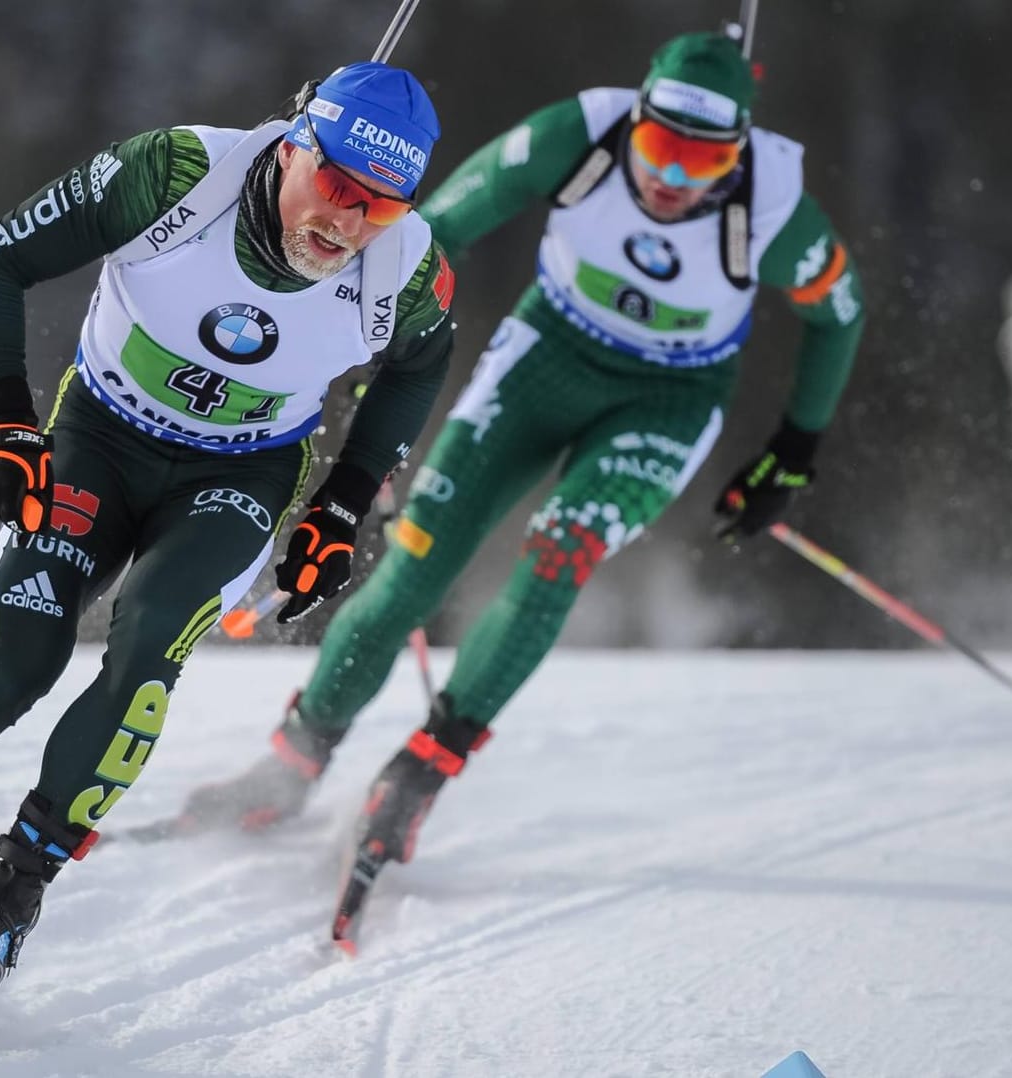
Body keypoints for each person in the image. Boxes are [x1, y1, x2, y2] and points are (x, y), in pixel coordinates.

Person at [0, 61, 456, 1000]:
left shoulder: (406, 271)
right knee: (10, 668)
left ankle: (11, 890)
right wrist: (6, 422)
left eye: (379, 208)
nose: (346, 224)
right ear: (293, 146)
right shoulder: (172, 178)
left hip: (238, 475)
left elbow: (416, 368)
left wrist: (340, 502)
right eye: (333, 187)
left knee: (152, 633)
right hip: (98, 441)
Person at [182, 32, 867, 888]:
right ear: (635, 123)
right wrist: (372, 348)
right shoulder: (578, 134)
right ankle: (293, 762)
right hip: (546, 355)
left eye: (702, 162)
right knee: (416, 564)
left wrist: (792, 451)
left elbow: (837, 314)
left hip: (671, 395)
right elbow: (441, 233)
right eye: (658, 149)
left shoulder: (773, 206)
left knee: (561, 548)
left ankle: (421, 771)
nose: (671, 179)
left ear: (737, 153)